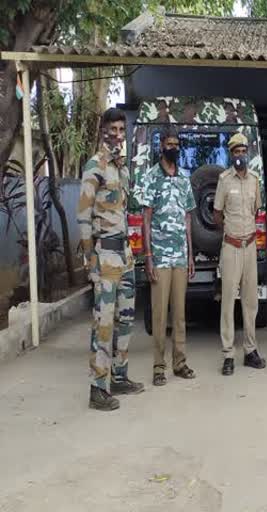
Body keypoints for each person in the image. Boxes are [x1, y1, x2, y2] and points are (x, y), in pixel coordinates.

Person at [78, 108, 144, 411]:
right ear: (102, 129)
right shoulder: (95, 166)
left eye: (121, 129)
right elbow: (83, 217)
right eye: (112, 129)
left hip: (125, 254)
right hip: (104, 255)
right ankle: (97, 387)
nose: (117, 135)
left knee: (126, 319)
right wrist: (91, 260)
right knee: (103, 325)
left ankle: (119, 375)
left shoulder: (121, 167)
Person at [139, 126, 197, 385]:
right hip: (160, 257)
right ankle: (158, 367)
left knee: (180, 314)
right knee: (160, 314)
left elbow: (187, 219)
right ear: (161, 146)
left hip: (180, 257)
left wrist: (192, 255)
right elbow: (146, 218)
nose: (173, 148)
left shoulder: (184, 177)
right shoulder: (152, 176)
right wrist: (148, 256)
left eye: (176, 144)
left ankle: (180, 362)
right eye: (169, 144)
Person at [213, 132, 265, 376]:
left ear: (248, 153)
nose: (240, 155)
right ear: (230, 154)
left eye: (243, 151)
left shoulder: (255, 180)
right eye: (236, 152)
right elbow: (217, 214)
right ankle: (228, 354)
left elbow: (256, 211)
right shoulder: (224, 180)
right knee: (227, 302)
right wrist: (230, 233)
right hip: (231, 246)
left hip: (250, 247)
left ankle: (250, 350)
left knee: (250, 301)